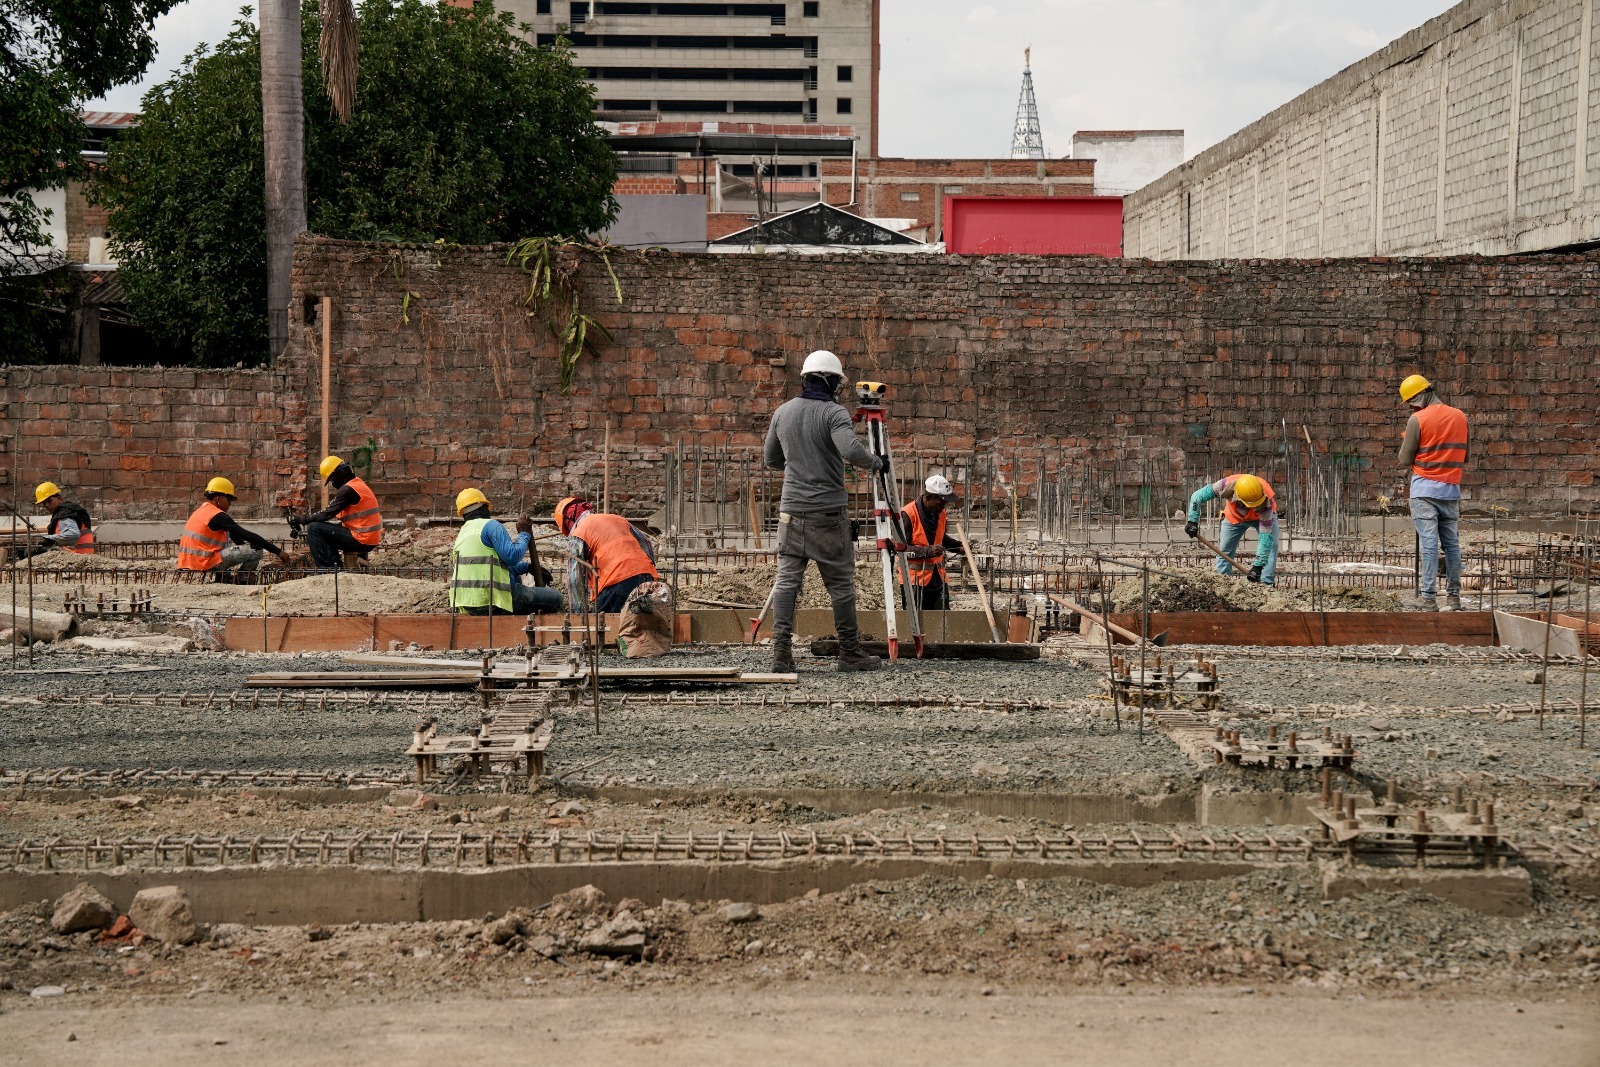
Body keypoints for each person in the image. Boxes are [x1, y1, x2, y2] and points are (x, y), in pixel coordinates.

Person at [762, 349, 886, 673]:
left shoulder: (782, 412)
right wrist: (876, 463)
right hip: (828, 515)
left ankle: (781, 655)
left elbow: (771, 459)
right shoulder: (834, 414)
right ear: (832, 381)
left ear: (805, 378)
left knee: (787, 583)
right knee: (841, 587)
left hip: (790, 514)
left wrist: (796, 464)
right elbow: (849, 449)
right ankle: (849, 652)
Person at [1398, 373, 1468, 611]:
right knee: (1451, 544)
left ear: (1421, 395)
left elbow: (1404, 459)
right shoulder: (1460, 417)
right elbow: (1463, 456)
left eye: (1411, 402)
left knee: (1428, 544)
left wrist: (1411, 440)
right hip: (1451, 490)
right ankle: (1454, 597)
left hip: (1424, 489)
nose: (1411, 407)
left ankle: (1428, 598)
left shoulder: (1417, 420)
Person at [448, 487, 563, 616]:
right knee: (556, 598)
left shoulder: (462, 533)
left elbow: (488, 567)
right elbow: (512, 556)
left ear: (463, 514)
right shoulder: (491, 526)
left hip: (468, 604)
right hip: (492, 601)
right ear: (485, 507)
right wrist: (524, 533)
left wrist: (526, 567)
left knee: (517, 579)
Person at [554, 495, 658, 614]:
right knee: (638, 627)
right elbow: (646, 543)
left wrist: (577, 614)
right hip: (646, 577)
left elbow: (575, 577)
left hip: (617, 583)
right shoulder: (617, 518)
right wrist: (647, 572)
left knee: (603, 628)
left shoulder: (580, 531)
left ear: (568, 522)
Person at [177, 477, 286, 576]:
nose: (230, 504)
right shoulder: (217, 515)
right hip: (204, 563)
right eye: (228, 500)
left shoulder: (202, 511)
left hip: (188, 563)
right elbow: (247, 535)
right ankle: (244, 579)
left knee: (247, 549)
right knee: (256, 549)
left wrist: (244, 551)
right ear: (218, 499)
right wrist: (279, 552)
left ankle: (226, 577)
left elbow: (235, 536)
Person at [1185, 473, 1279, 585]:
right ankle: (1224, 583)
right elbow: (1197, 496)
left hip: (1261, 517)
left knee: (1272, 545)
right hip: (1234, 517)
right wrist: (1192, 520)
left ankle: (1265, 584)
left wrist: (1258, 566)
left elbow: (1265, 537)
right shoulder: (1225, 485)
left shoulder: (1265, 499)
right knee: (1225, 550)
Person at [300, 455, 383, 571]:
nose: (333, 484)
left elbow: (326, 514)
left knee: (314, 528)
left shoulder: (348, 489)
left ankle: (325, 571)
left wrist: (302, 520)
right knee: (327, 531)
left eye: (332, 479)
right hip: (366, 537)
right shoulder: (357, 484)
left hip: (362, 539)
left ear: (339, 474)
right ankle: (337, 567)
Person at [901, 474, 967, 611]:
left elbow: (941, 538)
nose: (944, 506)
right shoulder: (907, 514)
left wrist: (959, 547)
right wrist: (928, 551)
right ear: (930, 497)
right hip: (914, 581)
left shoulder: (940, 513)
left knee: (943, 621)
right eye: (941, 502)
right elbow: (901, 549)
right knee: (916, 623)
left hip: (938, 578)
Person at [13, 481, 96, 560]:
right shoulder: (69, 511)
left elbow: (74, 535)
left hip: (76, 557)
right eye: (44, 503)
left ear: (59, 498)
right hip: (84, 556)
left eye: (49, 501)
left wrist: (48, 540)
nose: (47, 505)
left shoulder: (64, 515)